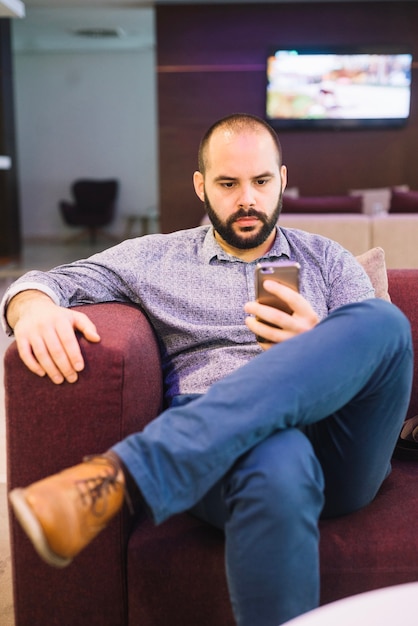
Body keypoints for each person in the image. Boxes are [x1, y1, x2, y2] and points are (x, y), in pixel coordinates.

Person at [3, 113, 413, 626]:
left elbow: (376, 366)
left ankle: (130, 472)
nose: (248, 199)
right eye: (228, 183)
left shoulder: (327, 259)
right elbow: (47, 281)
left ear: (282, 179)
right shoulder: (155, 259)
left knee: (381, 322)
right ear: (201, 186)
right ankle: (151, 465)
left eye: (261, 181)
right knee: (275, 454)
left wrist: (316, 339)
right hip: (227, 459)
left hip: (337, 445)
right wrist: (33, 310)